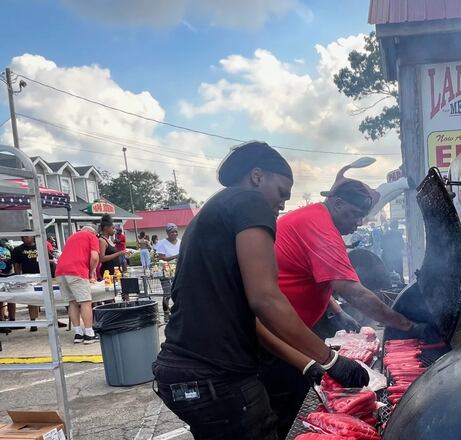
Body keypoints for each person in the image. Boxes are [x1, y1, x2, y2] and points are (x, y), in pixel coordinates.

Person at [152, 141, 369, 440]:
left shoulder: (215, 210)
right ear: (257, 176)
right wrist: (331, 360)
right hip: (215, 376)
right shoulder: (248, 202)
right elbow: (265, 299)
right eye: (281, 193)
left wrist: (308, 365)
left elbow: (251, 318)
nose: (281, 205)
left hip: (181, 372)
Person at [267, 176, 438, 437]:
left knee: (290, 396)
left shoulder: (315, 219)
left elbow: (314, 278)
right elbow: (354, 291)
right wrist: (408, 325)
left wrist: (338, 311)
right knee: (282, 406)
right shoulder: (320, 227)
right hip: (273, 334)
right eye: (355, 215)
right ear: (336, 203)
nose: (359, 223)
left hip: (286, 329)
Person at [55, 225, 100, 344]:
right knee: (85, 302)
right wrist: (91, 272)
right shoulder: (91, 236)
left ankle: (78, 333)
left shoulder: (71, 237)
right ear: (93, 232)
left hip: (60, 271)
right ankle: (89, 334)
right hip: (77, 270)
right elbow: (95, 257)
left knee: (72, 302)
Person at [9, 231, 55, 331]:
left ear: (33, 237)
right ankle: (33, 322)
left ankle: (54, 320)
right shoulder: (18, 250)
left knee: (49, 298)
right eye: (22, 237)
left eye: (27, 236)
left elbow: (50, 259)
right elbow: (16, 265)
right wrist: (19, 278)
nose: (24, 238)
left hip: (43, 276)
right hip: (28, 277)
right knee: (32, 299)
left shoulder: (40, 247)